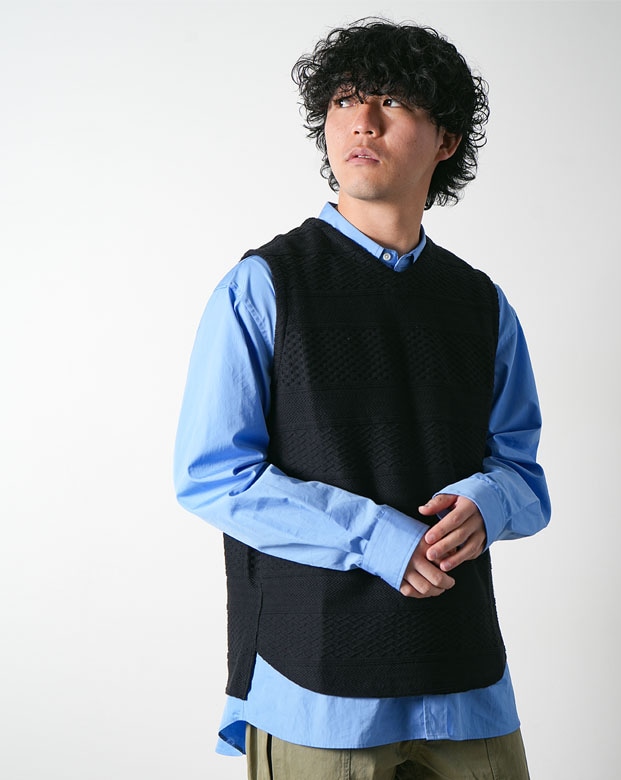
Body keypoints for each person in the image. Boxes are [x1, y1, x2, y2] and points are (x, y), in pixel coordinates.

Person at [174, 18, 551, 780]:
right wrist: (377, 537)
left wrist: (488, 502)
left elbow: (523, 476)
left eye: (393, 101)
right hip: (318, 689)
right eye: (345, 100)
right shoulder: (263, 288)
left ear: (446, 141)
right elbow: (213, 476)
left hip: (468, 682)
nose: (363, 121)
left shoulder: (482, 305)